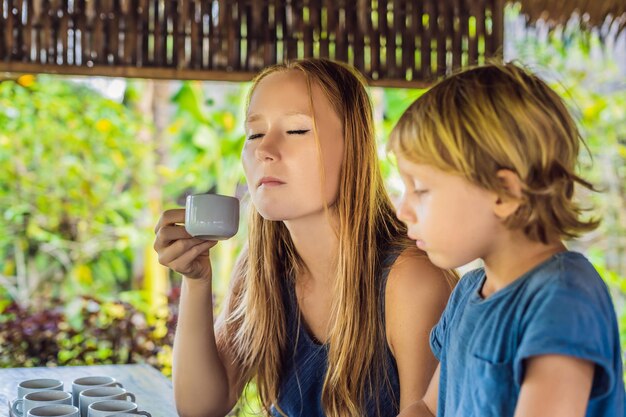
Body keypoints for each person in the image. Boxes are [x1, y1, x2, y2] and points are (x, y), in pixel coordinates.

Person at [153, 58, 455, 417]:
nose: (265, 149)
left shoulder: (411, 282)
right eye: (254, 134)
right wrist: (196, 281)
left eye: (296, 130)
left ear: (354, 146)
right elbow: (199, 407)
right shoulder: (264, 264)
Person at [390, 61, 625, 417]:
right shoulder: (469, 292)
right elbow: (426, 407)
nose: (402, 210)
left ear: (503, 193)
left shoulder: (564, 299)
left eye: (421, 190)